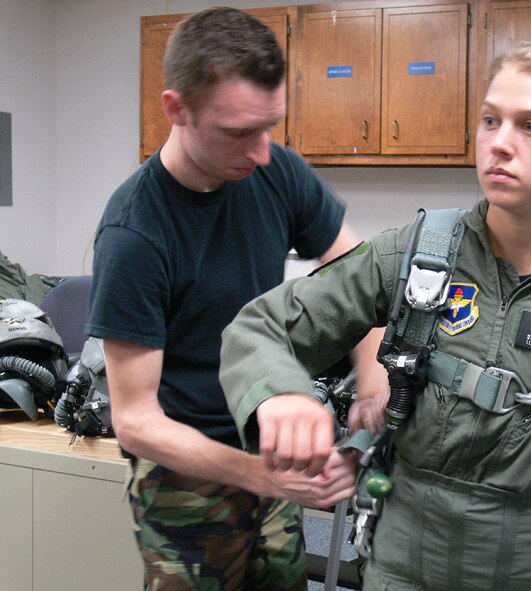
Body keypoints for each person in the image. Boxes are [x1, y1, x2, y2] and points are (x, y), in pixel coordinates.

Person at [219, 42, 531, 590]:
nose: (499, 144)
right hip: (405, 562)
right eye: (489, 120)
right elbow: (261, 327)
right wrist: (282, 393)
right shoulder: (415, 255)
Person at [86, 7, 386, 590]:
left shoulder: (274, 173)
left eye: (270, 125)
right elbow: (136, 421)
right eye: (239, 132)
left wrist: (372, 379)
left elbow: (363, 276)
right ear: (178, 109)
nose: (261, 151)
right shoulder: (134, 235)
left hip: (267, 448)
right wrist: (260, 475)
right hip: (183, 479)